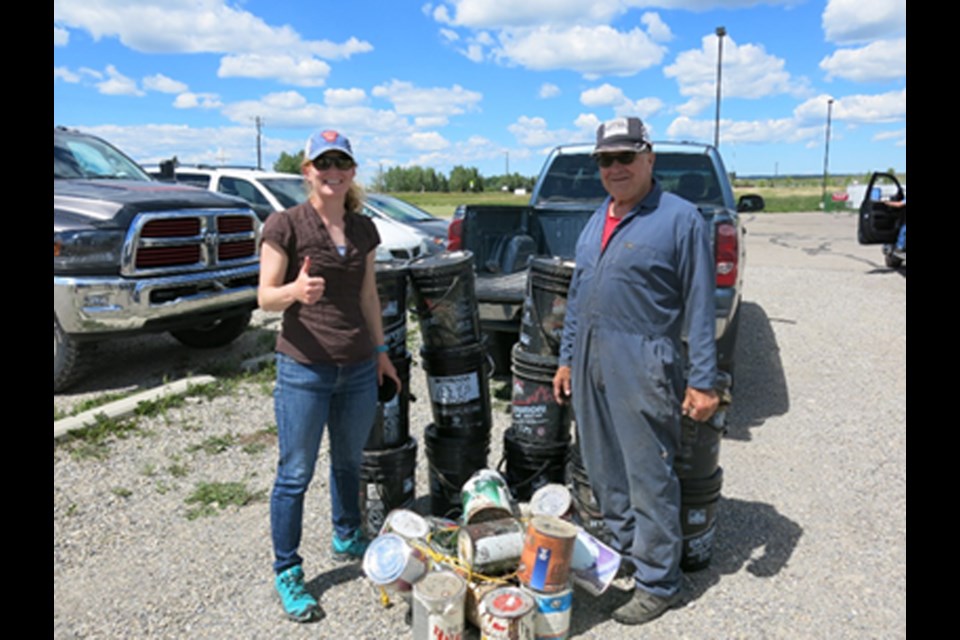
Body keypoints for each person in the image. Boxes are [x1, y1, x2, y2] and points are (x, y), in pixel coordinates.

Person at [552, 116, 720, 625]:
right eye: (606, 159)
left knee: (648, 474)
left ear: (650, 158)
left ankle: (658, 581)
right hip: (589, 362)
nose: (615, 168)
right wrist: (565, 357)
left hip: (643, 361)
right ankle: (631, 551)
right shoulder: (597, 216)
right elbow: (579, 296)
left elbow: (700, 304)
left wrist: (704, 379)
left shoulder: (680, 218)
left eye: (626, 157)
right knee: (604, 471)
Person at [258, 129, 401, 622]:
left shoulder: (363, 229)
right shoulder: (286, 224)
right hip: (304, 367)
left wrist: (382, 352)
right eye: (323, 163)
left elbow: (367, 297)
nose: (332, 171)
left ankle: (347, 533)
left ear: (352, 171)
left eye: (341, 162)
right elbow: (264, 296)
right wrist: (295, 291)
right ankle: (288, 570)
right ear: (308, 171)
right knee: (295, 474)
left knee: (348, 461)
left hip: (358, 365)